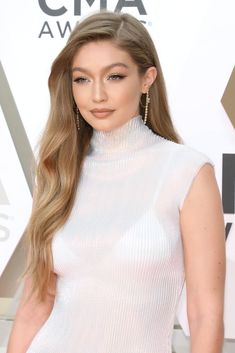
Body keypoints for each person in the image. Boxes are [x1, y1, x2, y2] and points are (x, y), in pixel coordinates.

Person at [7, 9, 225, 353]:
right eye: (81, 79)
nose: (96, 96)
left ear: (146, 78)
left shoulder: (187, 173)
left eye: (114, 77)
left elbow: (204, 314)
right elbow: (35, 306)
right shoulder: (56, 170)